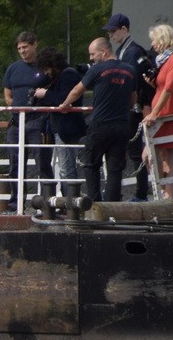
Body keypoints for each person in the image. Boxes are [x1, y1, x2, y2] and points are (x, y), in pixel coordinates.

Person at [58, 37, 136, 203]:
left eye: (93, 54)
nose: (91, 58)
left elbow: (77, 90)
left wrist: (65, 105)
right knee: (115, 169)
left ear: (104, 51)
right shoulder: (130, 70)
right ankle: (112, 205)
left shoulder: (97, 69)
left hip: (100, 124)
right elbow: (133, 99)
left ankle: (95, 203)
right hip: (122, 125)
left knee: (91, 164)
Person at [103, 13, 155, 200]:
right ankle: (141, 191)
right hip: (134, 106)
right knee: (133, 149)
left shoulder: (132, 51)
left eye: (113, 31)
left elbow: (129, 79)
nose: (111, 35)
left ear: (124, 29)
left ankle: (142, 192)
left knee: (135, 150)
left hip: (136, 107)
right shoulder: (125, 51)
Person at [2, 31, 53, 211]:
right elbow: (7, 94)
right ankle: (16, 203)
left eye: (25, 47)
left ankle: (49, 203)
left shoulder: (44, 67)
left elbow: (55, 90)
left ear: (34, 45)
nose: (22, 51)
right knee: (15, 165)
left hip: (38, 120)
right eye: (19, 48)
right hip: (16, 122)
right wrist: (14, 105)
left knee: (43, 164)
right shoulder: (13, 68)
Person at [33, 47, 86, 197]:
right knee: (65, 167)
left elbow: (63, 100)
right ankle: (69, 202)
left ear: (53, 65)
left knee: (66, 168)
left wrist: (45, 94)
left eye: (46, 69)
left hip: (66, 127)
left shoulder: (68, 75)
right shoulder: (60, 76)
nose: (45, 73)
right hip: (60, 127)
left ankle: (71, 204)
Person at [143, 23, 173, 201]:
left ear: (163, 39)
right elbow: (163, 87)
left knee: (160, 155)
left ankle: (167, 195)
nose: (153, 45)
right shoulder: (166, 59)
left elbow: (169, 88)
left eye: (154, 40)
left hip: (167, 111)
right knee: (156, 155)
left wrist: (154, 113)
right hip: (161, 109)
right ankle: (164, 192)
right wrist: (153, 84)